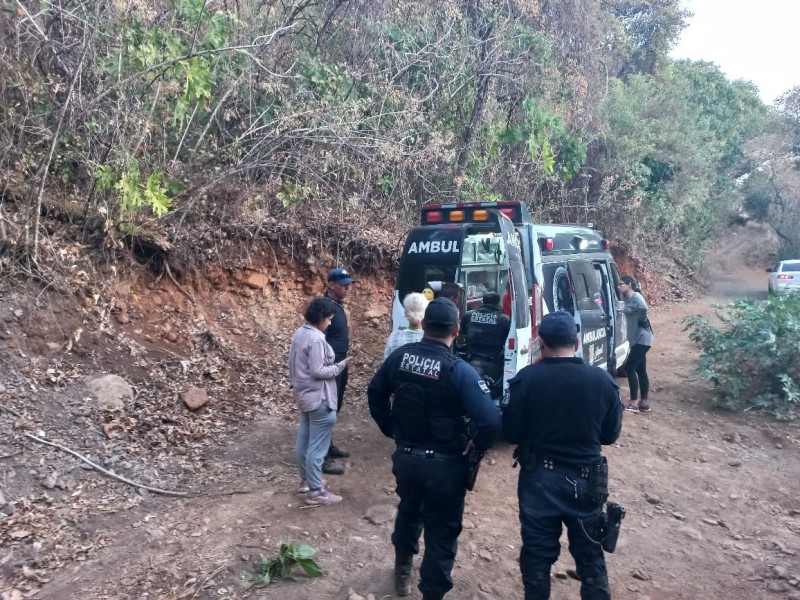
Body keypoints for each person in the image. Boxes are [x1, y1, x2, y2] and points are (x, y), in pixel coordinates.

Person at [367, 297, 501, 600]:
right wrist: (476, 443)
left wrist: (391, 428)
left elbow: (375, 393)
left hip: (407, 458)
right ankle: (432, 594)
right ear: (456, 329)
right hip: (446, 465)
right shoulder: (460, 370)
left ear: (424, 325)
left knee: (409, 511)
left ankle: (402, 574)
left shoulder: (399, 357)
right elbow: (490, 419)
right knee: (441, 530)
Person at [502, 310, 623, 600]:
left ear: (540, 342)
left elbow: (510, 432)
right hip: (586, 481)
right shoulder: (602, 381)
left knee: (537, 557)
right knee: (591, 556)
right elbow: (610, 435)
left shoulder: (526, 379)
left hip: (539, 480)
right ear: (577, 341)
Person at [288, 297, 352, 506]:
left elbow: (294, 364)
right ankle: (316, 491)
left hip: (304, 395)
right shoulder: (317, 339)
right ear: (321, 318)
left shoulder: (300, 333)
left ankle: (307, 481)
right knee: (317, 446)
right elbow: (318, 371)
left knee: (304, 440)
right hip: (319, 397)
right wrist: (341, 365)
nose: (331, 323)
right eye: (330, 319)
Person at [323, 267, 354, 474]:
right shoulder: (325, 306)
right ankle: (322, 456)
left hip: (341, 362)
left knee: (335, 406)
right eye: (343, 285)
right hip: (330, 365)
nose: (347, 288)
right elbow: (318, 336)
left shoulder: (337, 305)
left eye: (348, 285)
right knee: (326, 408)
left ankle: (328, 445)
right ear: (331, 285)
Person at [459, 291, 511, 399]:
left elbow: (461, 337)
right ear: (498, 303)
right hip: (493, 366)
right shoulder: (504, 320)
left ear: (483, 301)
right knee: (491, 395)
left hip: (471, 362)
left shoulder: (468, 315)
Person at [618, 275, 654, 413]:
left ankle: (633, 402)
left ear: (629, 285)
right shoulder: (626, 299)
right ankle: (644, 403)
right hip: (638, 339)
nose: (619, 286)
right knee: (640, 370)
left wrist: (642, 320)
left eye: (621, 284)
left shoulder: (636, 297)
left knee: (629, 367)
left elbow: (644, 308)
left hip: (643, 338)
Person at [384, 292, 429, 359]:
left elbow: (386, 364)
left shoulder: (394, 337)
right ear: (425, 313)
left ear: (405, 312)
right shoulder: (429, 339)